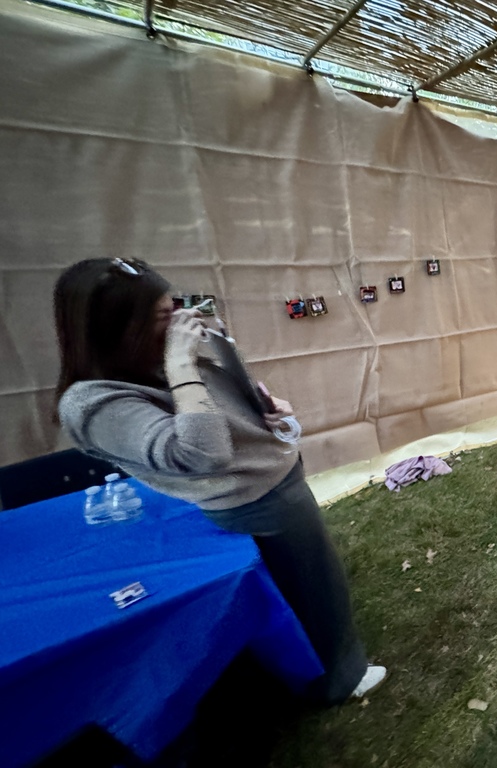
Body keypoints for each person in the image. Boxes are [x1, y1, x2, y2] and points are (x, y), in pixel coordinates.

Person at [53, 258, 385, 705]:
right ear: (118, 327)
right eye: (162, 316)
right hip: (254, 501)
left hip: (274, 483)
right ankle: (338, 680)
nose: (179, 322)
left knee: (308, 583)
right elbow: (202, 454)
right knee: (310, 592)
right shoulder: (94, 402)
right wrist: (181, 363)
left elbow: (224, 418)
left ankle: (317, 669)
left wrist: (269, 416)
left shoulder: (151, 362)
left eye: (173, 307)